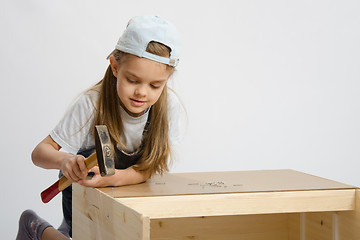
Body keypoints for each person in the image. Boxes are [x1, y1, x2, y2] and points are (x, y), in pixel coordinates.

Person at [16, 15, 184, 240]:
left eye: (155, 85)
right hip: (87, 196)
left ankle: (64, 232)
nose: (142, 92)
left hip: (126, 192)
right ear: (115, 67)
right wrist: (65, 160)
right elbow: (39, 154)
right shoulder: (92, 103)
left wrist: (112, 178)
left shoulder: (168, 107)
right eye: (133, 80)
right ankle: (35, 228)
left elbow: (150, 167)